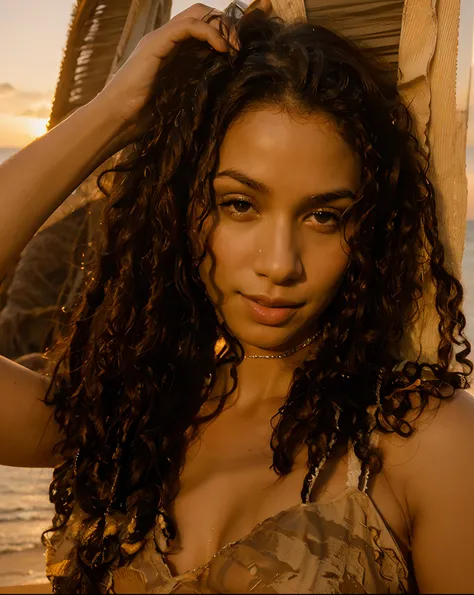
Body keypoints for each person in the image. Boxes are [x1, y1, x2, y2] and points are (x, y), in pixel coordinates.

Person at [0, 2, 473, 593]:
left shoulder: (426, 443)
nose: (279, 263)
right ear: (184, 210)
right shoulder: (132, 414)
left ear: (372, 232)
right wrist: (115, 114)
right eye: (239, 205)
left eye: (325, 216)